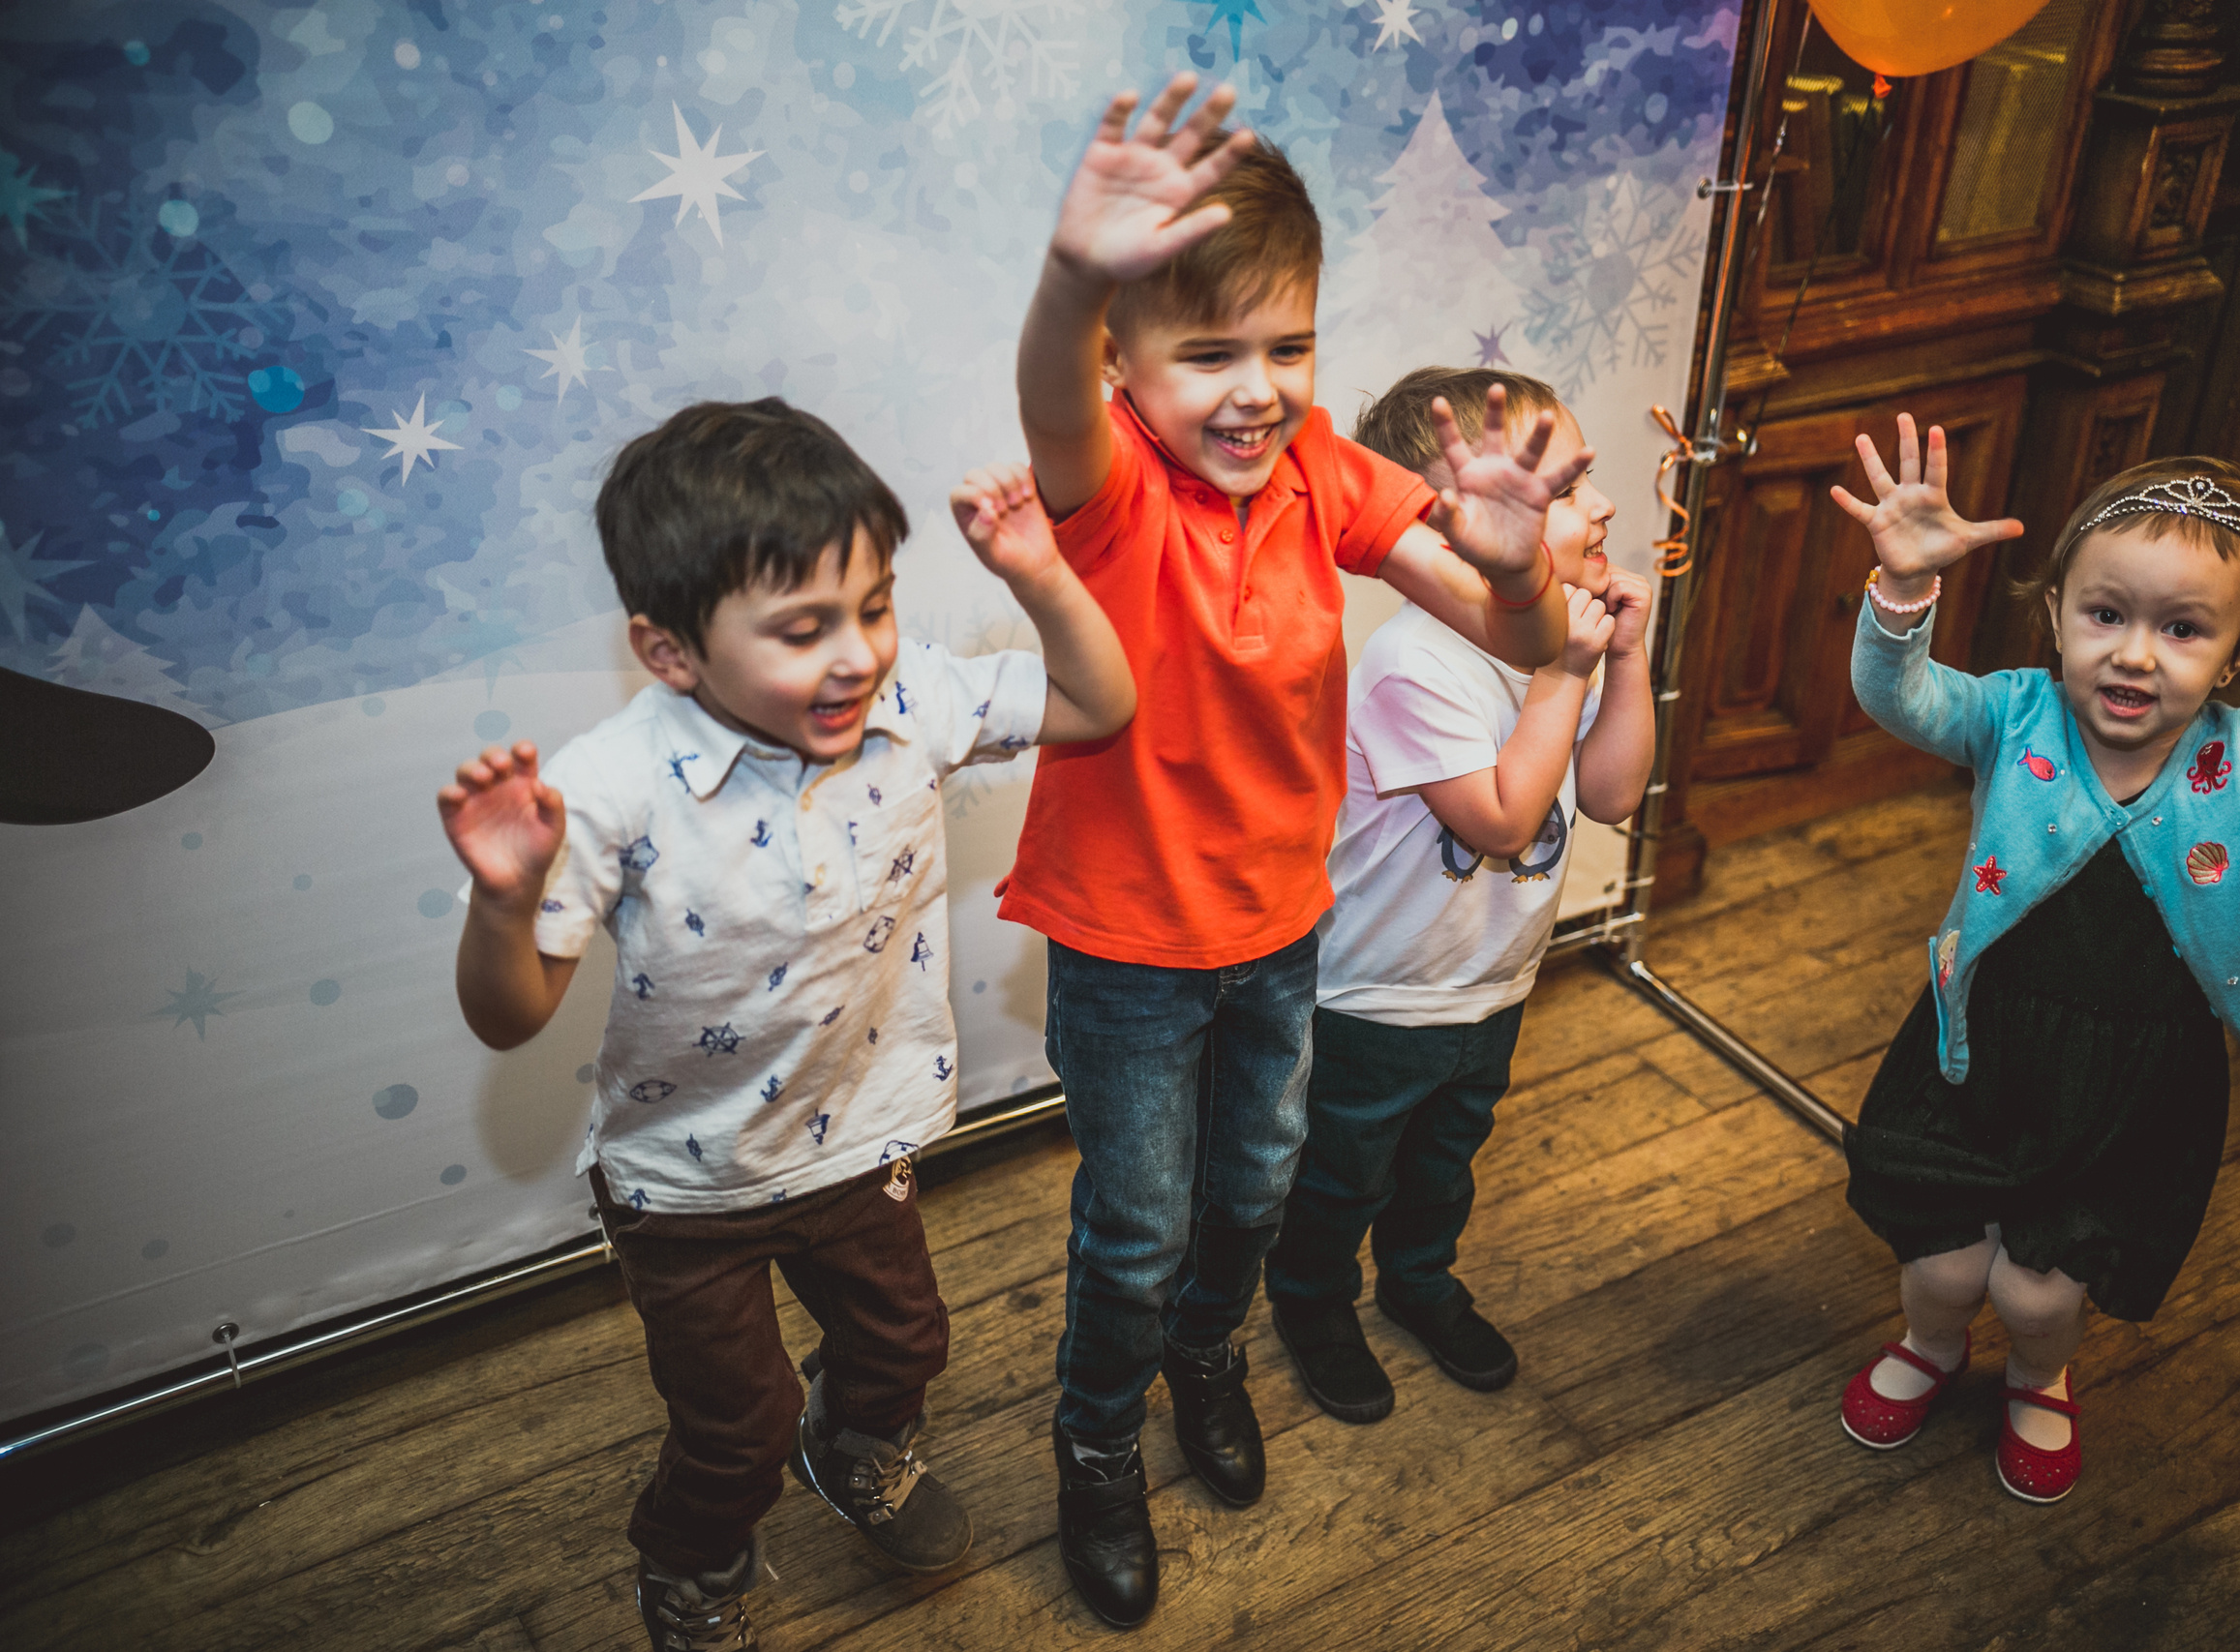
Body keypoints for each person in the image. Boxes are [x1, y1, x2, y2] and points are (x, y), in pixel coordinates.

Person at [1004, 77, 1584, 1628]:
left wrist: (1518, 563)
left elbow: (1507, 624)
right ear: (1127, 366)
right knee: (1136, 1222)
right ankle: (1097, 1434)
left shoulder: (1326, 466)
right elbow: (1050, 402)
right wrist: (1073, 277)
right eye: (1208, 355)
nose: (1258, 389)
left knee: (1252, 1188)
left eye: (1287, 346)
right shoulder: (1112, 482)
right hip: (1127, 946)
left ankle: (1210, 1351)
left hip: (1279, 929)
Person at [434, 400, 1134, 1651]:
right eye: (803, 628)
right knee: (733, 1425)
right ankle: (693, 1564)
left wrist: (1036, 571)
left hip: (863, 1139)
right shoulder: (607, 785)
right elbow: (508, 1014)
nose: (858, 653)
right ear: (670, 650)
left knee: (908, 1341)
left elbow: (1099, 700)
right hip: (686, 1187)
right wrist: (503, 900)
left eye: (872, 604)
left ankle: (854, 1452)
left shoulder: (913, 693)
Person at [1830, 414, 2240, 1503]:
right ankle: (1932, 1346)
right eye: (2105, 615)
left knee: (2035, 1291)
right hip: (1986, 1044)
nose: (2131, 652)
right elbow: (1899, 693)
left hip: (2128, 1077)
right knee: (1940, 1263)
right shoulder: (2012, 713)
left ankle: (2039, 1374)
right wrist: (1900, 596)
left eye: (2180, 630)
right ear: (2058, 614)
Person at [1263, 367, 1657, 1424]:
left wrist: (1625, 658)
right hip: (1375, 997)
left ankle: (1420, 1278)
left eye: (1583, 480)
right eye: (1565, 492)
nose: (1603, 504)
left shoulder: (1565, 633)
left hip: (1491, 980)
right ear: (1460, 529)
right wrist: (1565, 675)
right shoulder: (1412, 660)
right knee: (1340, 1173)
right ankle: (1311, 1300)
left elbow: (1614, 795)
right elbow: (1497, 823)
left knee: (1445, 1159)